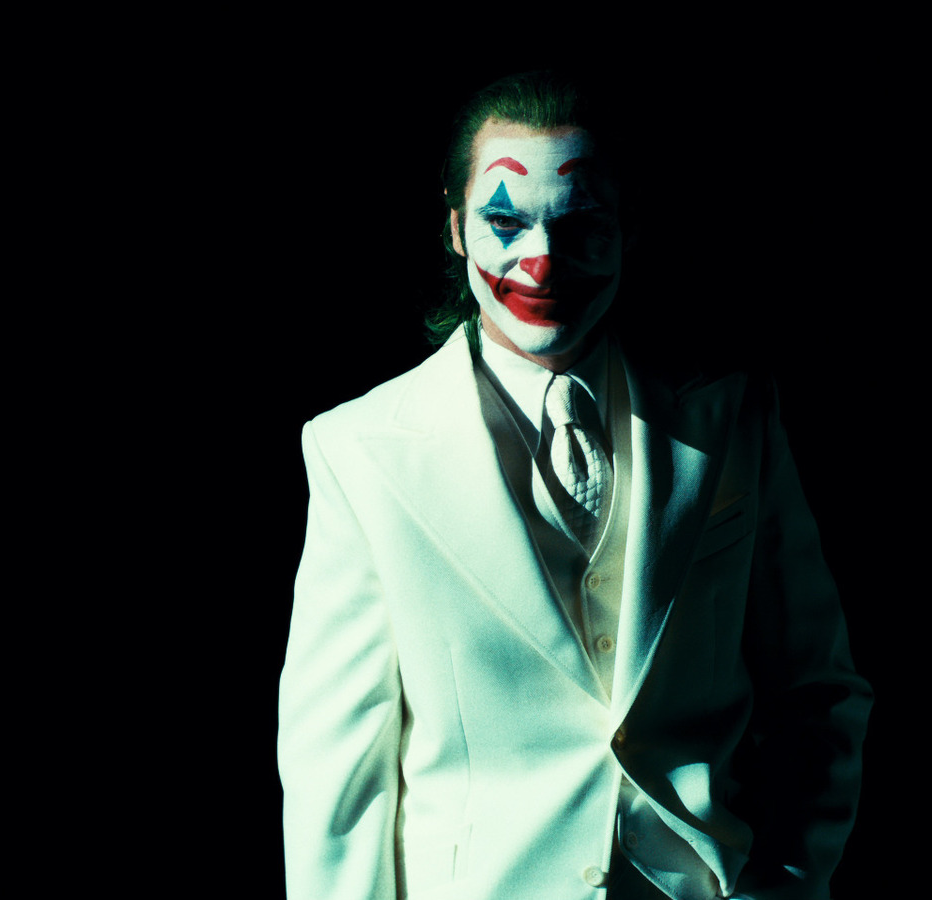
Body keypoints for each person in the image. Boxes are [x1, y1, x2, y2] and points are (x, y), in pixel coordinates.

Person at [279, 70, 872, 900]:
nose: (542, 260)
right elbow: (337, 775)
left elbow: (817, 694)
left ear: (629, 227)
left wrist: (782, 884)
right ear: (454, 228)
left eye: (582, 223)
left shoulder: (731, 418)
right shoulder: (360, 452)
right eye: (504, 221)